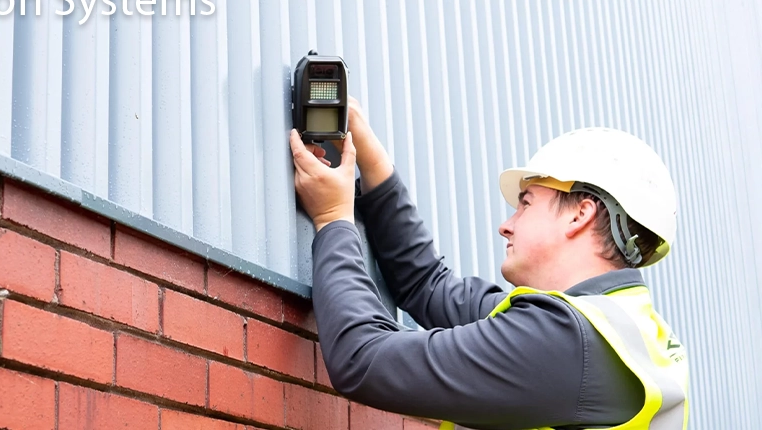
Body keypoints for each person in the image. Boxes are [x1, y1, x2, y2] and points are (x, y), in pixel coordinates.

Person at [288, 98, 688, 430]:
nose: (506, 225)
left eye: (526, 204)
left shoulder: (566, 342)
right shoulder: (615, 332)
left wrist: (333, 219)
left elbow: (362, 359)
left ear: (578, 215)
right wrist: (373, 163)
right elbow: (427, 286)